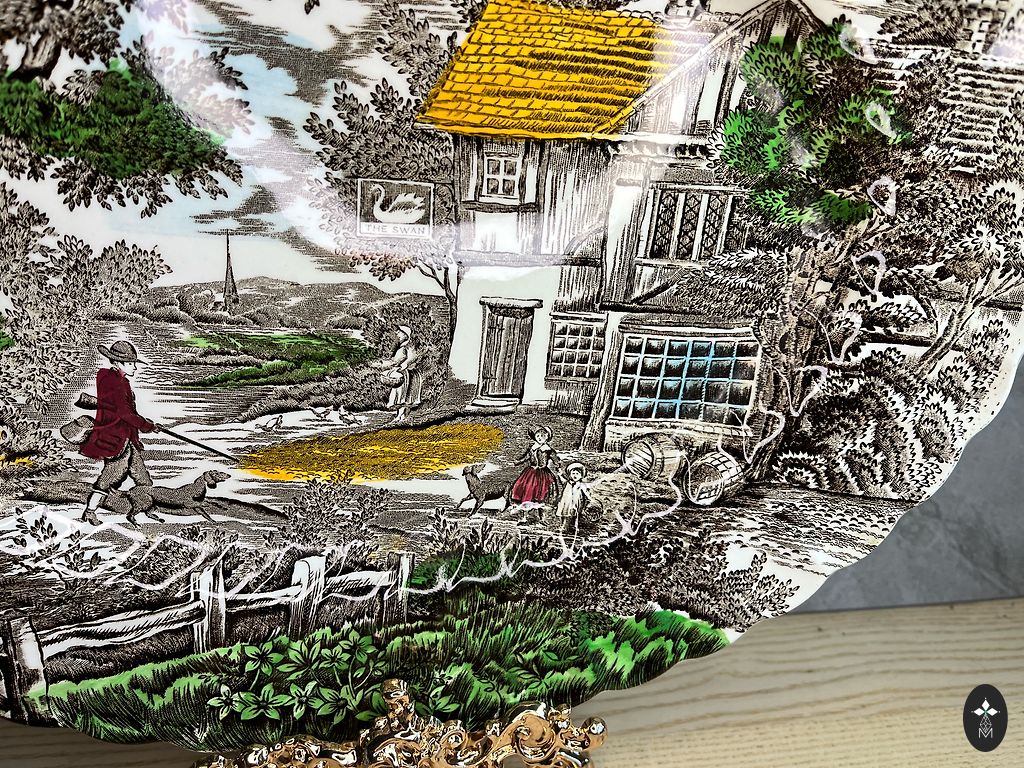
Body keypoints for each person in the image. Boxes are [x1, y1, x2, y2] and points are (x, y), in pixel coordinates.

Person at [79, 340, 160, 526]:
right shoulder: (116, 382)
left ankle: (148, 508)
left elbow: (127, 412)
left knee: (142, 476)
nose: (134, 367)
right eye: (130, 363)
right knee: (109, 478)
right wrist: (147, 426)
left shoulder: (113, 379)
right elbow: (125, 414)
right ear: (117, 362)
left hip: (126, 438)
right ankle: (90, 512)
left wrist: (147, 424)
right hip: (116, 440)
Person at [509, 426, 559, 510]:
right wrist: (516, 462)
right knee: (526, 486)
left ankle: (541, 507)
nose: (540, 438)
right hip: (531, 471)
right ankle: (525, 507)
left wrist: (558, 466)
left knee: (544, 488)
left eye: (542, 436)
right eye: (537, 436)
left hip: (543, 472)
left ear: (547, 437)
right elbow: (526, 457)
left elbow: (555, 459)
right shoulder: (532, 448)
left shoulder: (548, 449)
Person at [384, 324, 423, 424]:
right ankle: (401, 416)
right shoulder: (404, 347)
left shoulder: (406, 347)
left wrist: (403, 365)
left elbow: (411, 358)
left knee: (403, 395)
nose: (398, 335)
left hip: (406, 373)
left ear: (406, 335)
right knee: (404, 396)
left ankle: (401, 416)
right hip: (406, 372)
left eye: (400, 333)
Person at [556, 462, 598, 542]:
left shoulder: (581, 485)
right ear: (570, 474)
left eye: (577, 474)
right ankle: (563, 525)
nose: (575, 475)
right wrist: (560, 474)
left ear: (581, 475)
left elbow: (586, 493)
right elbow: (561, 479)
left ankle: (570, 526)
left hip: (575, 503)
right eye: (573, 473)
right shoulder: (567, 483)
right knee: (563, 513)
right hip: (566, 502)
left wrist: (590, 499)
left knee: (573, 515)